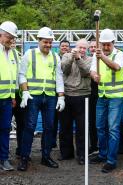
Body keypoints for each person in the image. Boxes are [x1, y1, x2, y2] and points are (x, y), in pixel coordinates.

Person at [17, 27, 65, 171]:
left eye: (50, 43)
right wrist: (25, 91)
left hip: (50, 97)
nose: (48, 45)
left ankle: (46, 156)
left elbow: (59, 78)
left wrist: (61, 97)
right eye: (46, 42)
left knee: (49, 127)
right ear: (39, 41)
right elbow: (21, 74)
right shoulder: (29, 54)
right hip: (33, 96)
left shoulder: (56, 57)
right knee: (30, 127)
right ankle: (24, 157)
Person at [90, 28, 123, 173]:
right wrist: (94, 76)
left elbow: (116, 67)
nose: (105, 47)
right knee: (100, 127)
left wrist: (102, 57)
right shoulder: (96, 55)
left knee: (113, 128)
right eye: (103, 44)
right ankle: (102, 154)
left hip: (116, 98)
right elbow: (93, 70)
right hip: (102, 96)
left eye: (108, 45)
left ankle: (111, 160)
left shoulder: (120, 55)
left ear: (113, 43)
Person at [59, 38, 91, 164]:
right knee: (65, 126)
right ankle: (66, 153)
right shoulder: (66, 56)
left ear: (87, 49)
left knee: (82, 128)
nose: (82, 50)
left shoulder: (91, 59)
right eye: (80, 47)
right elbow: (64, 70)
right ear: (75, 47)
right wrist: (72, 57)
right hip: (67, 94)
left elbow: (86, 72)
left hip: (83, 96)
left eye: (84, 48)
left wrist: (78, 59)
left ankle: (82, 155)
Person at [0, 21, 19, 171]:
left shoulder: (12, 53)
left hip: (6, 99)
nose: (11, 40)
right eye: (9, 37)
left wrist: (13, 96)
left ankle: (4, 159)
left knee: (5, 128)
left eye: (13, 38)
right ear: (1, 35)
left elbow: (13, 77)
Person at [52, 39, 71, 148]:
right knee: (53, 119)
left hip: (68, 92)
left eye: (66, 46)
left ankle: (65, 145)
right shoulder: (55, 58)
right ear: (59, 47)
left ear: (69, 48)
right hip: (55, 92)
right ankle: (52, 142)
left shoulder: (72, 58)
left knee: (64, 121)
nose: (64, 48)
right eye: (62, 46)